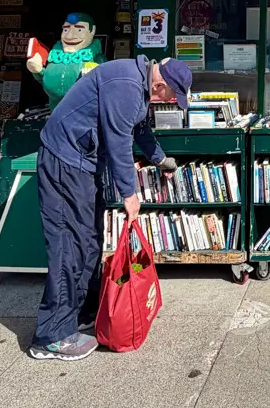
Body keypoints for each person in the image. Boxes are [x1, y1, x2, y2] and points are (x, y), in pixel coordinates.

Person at [28, 55, 192, 361]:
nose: (170, 102)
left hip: (83, 162)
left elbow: (140, 130)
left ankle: (80, 313)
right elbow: (119, 142)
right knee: (69, 245)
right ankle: (51, 336)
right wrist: (129, 194)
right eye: (172, 97)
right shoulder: (127, 86)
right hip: (65, 161)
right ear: (160, 86)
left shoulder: (140, 82)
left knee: (90, 239)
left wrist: (160, 159)